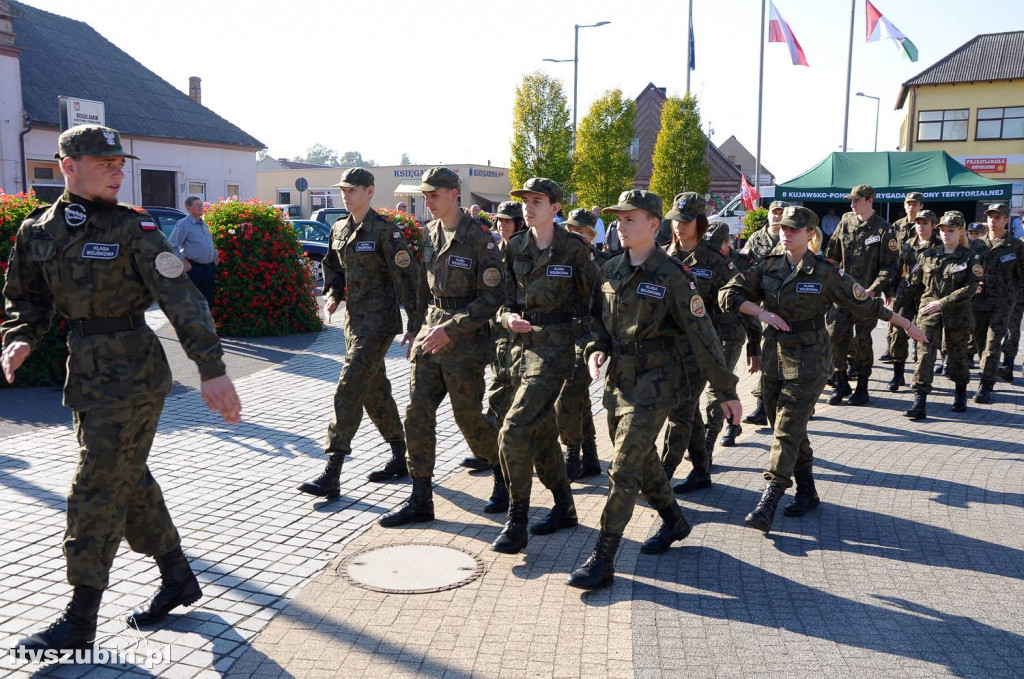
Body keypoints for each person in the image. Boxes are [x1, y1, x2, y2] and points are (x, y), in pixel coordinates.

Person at [2, 125, 241, 655]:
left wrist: (211, 369)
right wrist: (18, 339)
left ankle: (80, 616)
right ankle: (178, 577)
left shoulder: (137, 227)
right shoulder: (36, 230)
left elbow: (183, 300)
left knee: (95, 485)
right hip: (85, 374)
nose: (118, 170)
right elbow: (25, 300)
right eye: (105, 163)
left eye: (119, 163)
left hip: (134, 374)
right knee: (127, 479)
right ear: (68, 165)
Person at [566, 190, 741, 590]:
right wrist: (595, 349)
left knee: (624, 466)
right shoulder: (610, 269)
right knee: (642, 461)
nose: (622, 226)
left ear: (652, 224)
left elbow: (704, 336)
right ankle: (675, 522)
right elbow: (595, 321)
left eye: (631, 219)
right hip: (618, 381)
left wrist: (727, 390)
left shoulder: (674, 276)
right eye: (619, 219)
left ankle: (602, 558)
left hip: (658, 382)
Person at [720, 206, 924, 533]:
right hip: (775, 359)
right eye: (784, 228)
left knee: (787, 428)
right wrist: (761, 313)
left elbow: (865, 303)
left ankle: (769, 499)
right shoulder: (768, 267)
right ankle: (808, 492)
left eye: (794, 229)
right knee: (785, 428)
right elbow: (728, 294)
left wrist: (906, 324)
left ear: (810, 234)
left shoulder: (826, 272)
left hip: (810, 361)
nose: (786, 233)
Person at [379, 167, 507, 527]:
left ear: (454, 193)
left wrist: (452, 329)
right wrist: (415, 328)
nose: (428, 202)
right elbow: (423, 287)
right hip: (430, 336)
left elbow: (495, 296)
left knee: (468, 419)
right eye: (424, 196)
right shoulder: (429, 233)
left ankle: (502, 472)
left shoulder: (480, 239)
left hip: (464, 342)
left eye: (434, 195)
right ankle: (421, 497)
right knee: (417, 412)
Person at [490, 179, 602, 555]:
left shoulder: (575, 251)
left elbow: (594, 307)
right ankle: (565, 508)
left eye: (537, 201)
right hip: (518, 350)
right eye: (524, 201)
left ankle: (516, 520)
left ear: (555, 207)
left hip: (557, 350)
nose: (527, 207)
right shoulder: (515, 246)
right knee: (540, 432)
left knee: (513, 428)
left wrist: (591, 349)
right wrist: (507, 320)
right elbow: (502, 301)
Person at [297, 168, 423, 498]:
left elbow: (408, 279)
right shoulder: (339, 228)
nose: (346, 194)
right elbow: (332, 269)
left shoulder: (385, 232)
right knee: (373, 391)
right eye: (343, 189)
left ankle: (332, 472)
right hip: (353, 324)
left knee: (349, 387)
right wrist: (332, 297)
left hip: (379, 324)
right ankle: (400, 455)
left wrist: (415, 325)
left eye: (352, 189)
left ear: (369, 191)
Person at [660, 192, 731, 493]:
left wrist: (746, 344)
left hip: (698, 350)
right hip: (664, 348)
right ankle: (702, 470)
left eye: (687, 221)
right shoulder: (660, 256)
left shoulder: (714, 260)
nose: (679, 226)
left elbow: (733, 298)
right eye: (676, 220)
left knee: (680, 410)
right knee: (688, 412)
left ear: (700, 222)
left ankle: (662, 475)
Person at [824, 184, 898, 406]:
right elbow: (832, 255)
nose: (852, 204)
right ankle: (842, 381)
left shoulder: (884, 230)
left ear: (869, 201)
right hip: (842, 294)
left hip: (867, 297)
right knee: (835, 335)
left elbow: (890, 266)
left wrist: (874, 288)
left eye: (856, 200)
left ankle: (863, 386)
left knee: (863, 340)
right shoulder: (846, 221)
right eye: (851, 200)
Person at [903, 211, 982, 418]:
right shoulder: (928, 255)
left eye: (951, 230)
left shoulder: (969, 257)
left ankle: (960, 393)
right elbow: (911, 283)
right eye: (943, 230)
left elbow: (971, 288)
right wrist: (896, 311)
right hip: (929, 313)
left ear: (961, 231)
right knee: (925, 356)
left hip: (957, 315)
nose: (946, 234)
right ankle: (919, 402)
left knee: (957, 355)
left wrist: (943, 302)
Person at [555, 208, 611, 482]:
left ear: (590, 233)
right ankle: (590, 458)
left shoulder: (599, 263)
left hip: (588, 338)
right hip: (563, 336)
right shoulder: (561, 257)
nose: (570, 233)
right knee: (579, 399)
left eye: (577, 230)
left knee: (566, 398)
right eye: (568, 228)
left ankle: (572, 453)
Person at [475, 201, 526, 471]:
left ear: (519, 224)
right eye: (499, 221)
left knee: (512, 396)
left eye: (508, 221)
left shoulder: (525, 253)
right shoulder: (493, 250)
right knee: (498, 391)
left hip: (519, 334)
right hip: (496, 331)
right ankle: (493, 453)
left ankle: (509, 456)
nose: (502, 225)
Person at [704, 221, 762, 450]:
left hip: (732, 332)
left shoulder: (742, 263)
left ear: (729, 243)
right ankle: (733, 422)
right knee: (722, 382)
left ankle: (709, 443)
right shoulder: (700, 259)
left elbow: (748, 302)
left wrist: (754, 343)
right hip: (707, 333)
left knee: (717, 386)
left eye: (719, 245)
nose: (714, 250)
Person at [740, 199, 788, 425]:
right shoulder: (755, 239)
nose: (777, 217)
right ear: (768, 215)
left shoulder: (790, 238)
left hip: (782, 301)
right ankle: (762, 405)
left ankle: (792, 399)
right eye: (774, 213)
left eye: (781, 213)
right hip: (758, 302)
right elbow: (745, 264)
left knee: (782, 353)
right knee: (766, 351)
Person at [971, 203, 1024, 404]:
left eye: (998, 217)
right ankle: (987, 372)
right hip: (979, 303)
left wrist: (1015, 300)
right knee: (980, 344)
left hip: (1003, 304)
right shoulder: (977, 244)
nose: (993, 221)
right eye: (990, 217)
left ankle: (985, 384)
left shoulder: (1016, 246)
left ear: (1007, 220)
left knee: (993, 344)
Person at [887, 210, 939, 392]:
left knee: (922, 338)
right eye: (918, 222)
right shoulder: (909, 244)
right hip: (906, 295)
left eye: (925, 222)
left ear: (933, 225)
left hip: (927, 296)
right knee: (897, 333)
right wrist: (889, 291)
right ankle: (898, 374)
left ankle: (920, 376)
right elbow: (898, 267)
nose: (921, 225)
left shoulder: (939, 246)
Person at [168, 195, 219, 310]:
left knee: (208, 302)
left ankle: (206, 327)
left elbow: (207, 242)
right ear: (188, 207)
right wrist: (182, 260)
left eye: (202, 205)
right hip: (194, 269)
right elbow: (172, 245)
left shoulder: (203, 223)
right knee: (194, 303)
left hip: (209, 268)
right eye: (198, 205)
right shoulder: (183, 224)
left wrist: (215, 253)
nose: (202, 207)